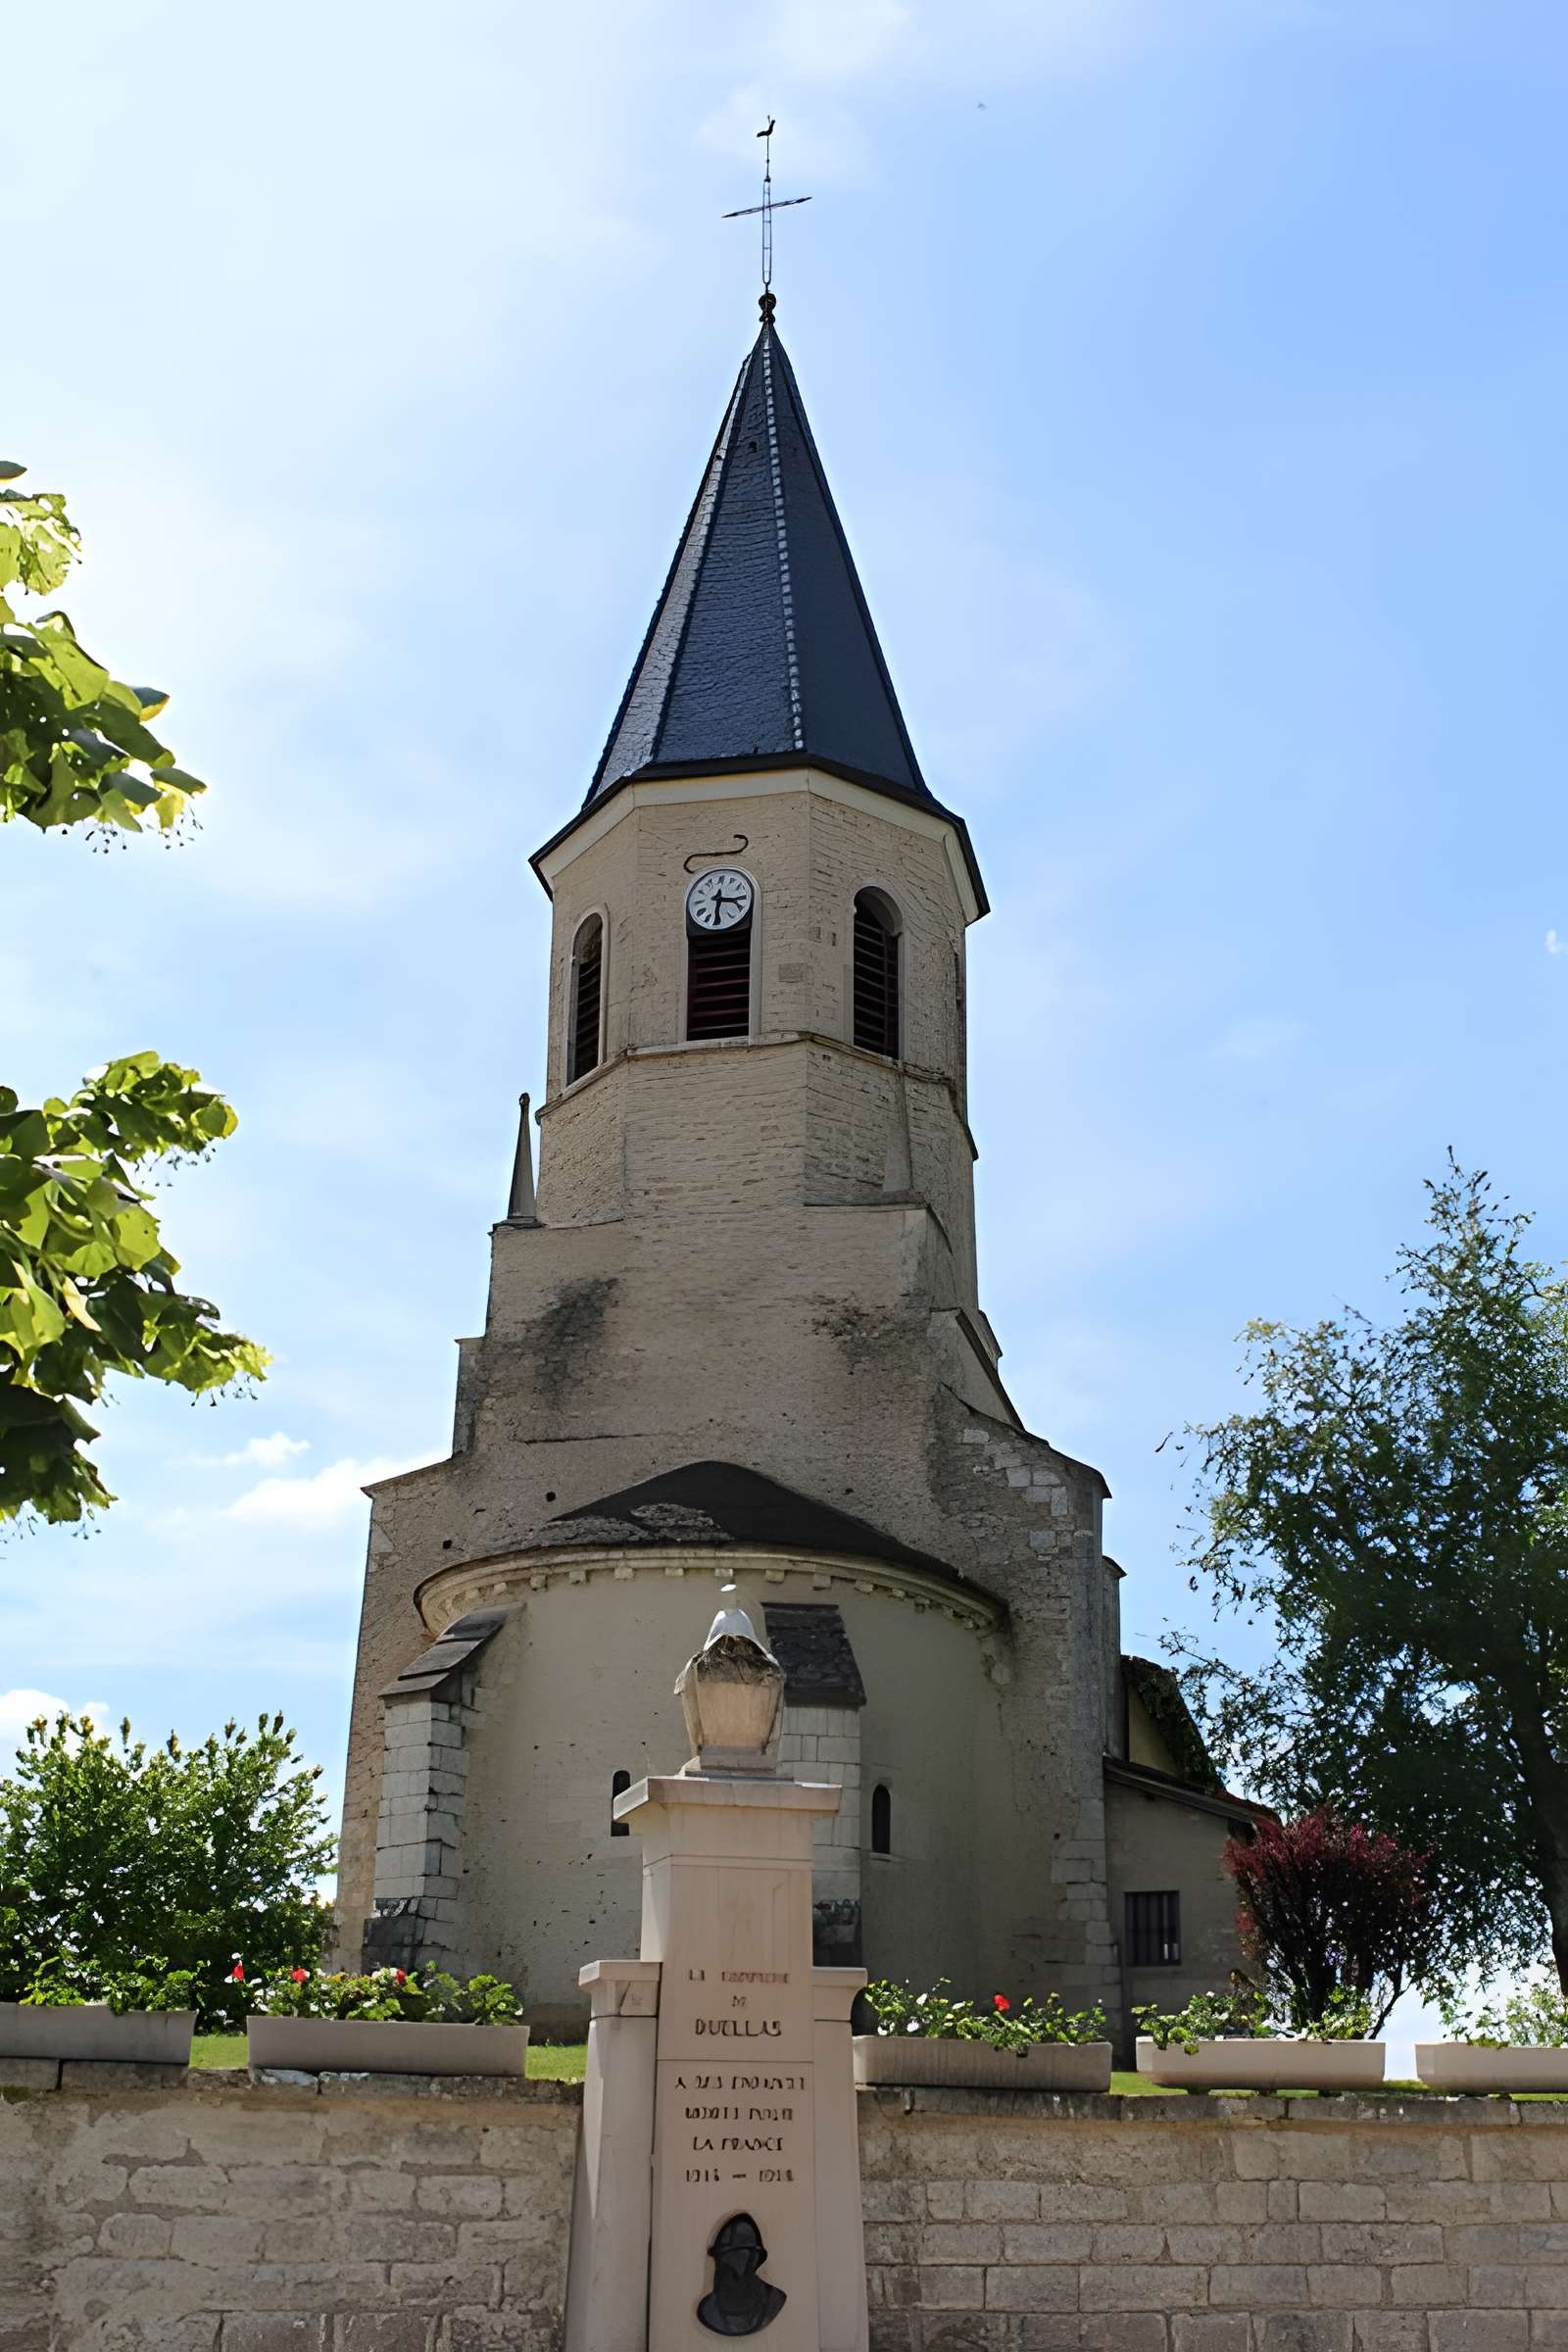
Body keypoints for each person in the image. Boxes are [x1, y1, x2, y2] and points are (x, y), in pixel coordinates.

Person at [696, 2212, 787, 2335]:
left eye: (731, 2259)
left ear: (754, 2259)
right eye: (721, 2259)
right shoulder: (709, 2309)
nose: (721, 2265)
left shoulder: (773, 2300)